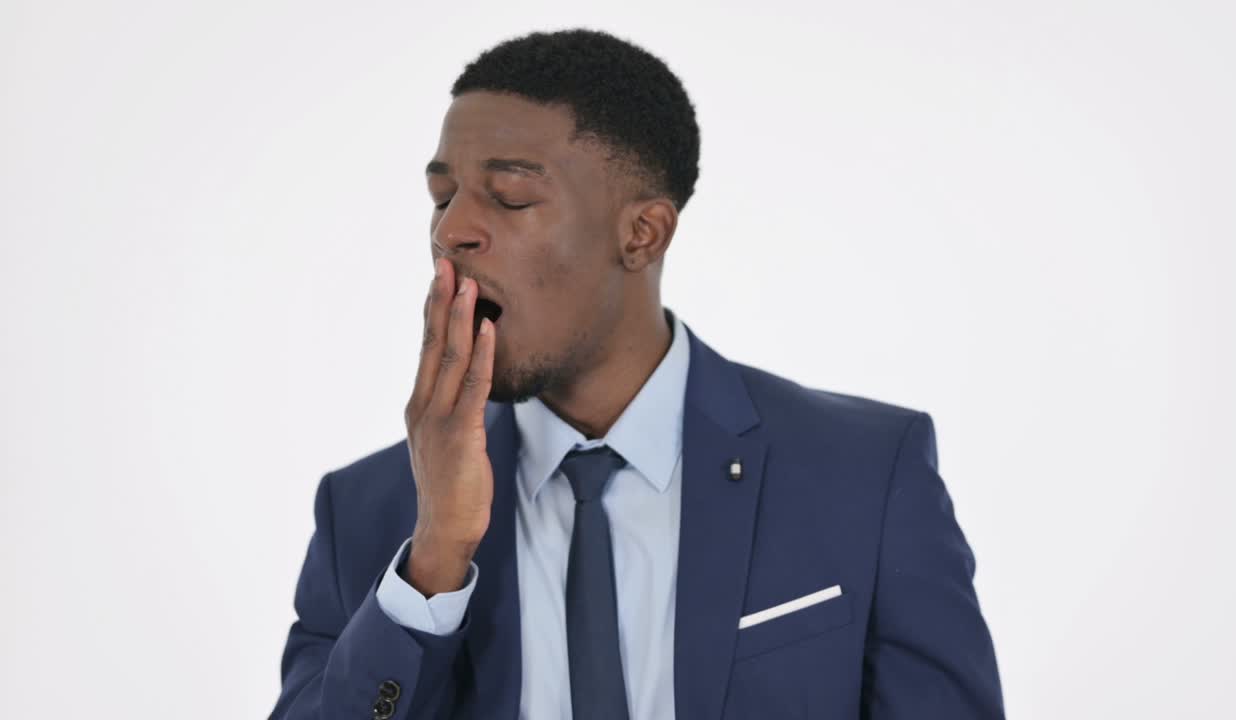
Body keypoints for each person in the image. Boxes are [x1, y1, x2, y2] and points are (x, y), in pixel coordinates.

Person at [268, 28, 1004, 720]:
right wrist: (434, 560)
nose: (450, 230)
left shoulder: (864, 474)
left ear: (642, 233)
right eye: (442, 197)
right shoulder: (366, 514)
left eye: (510, 196)